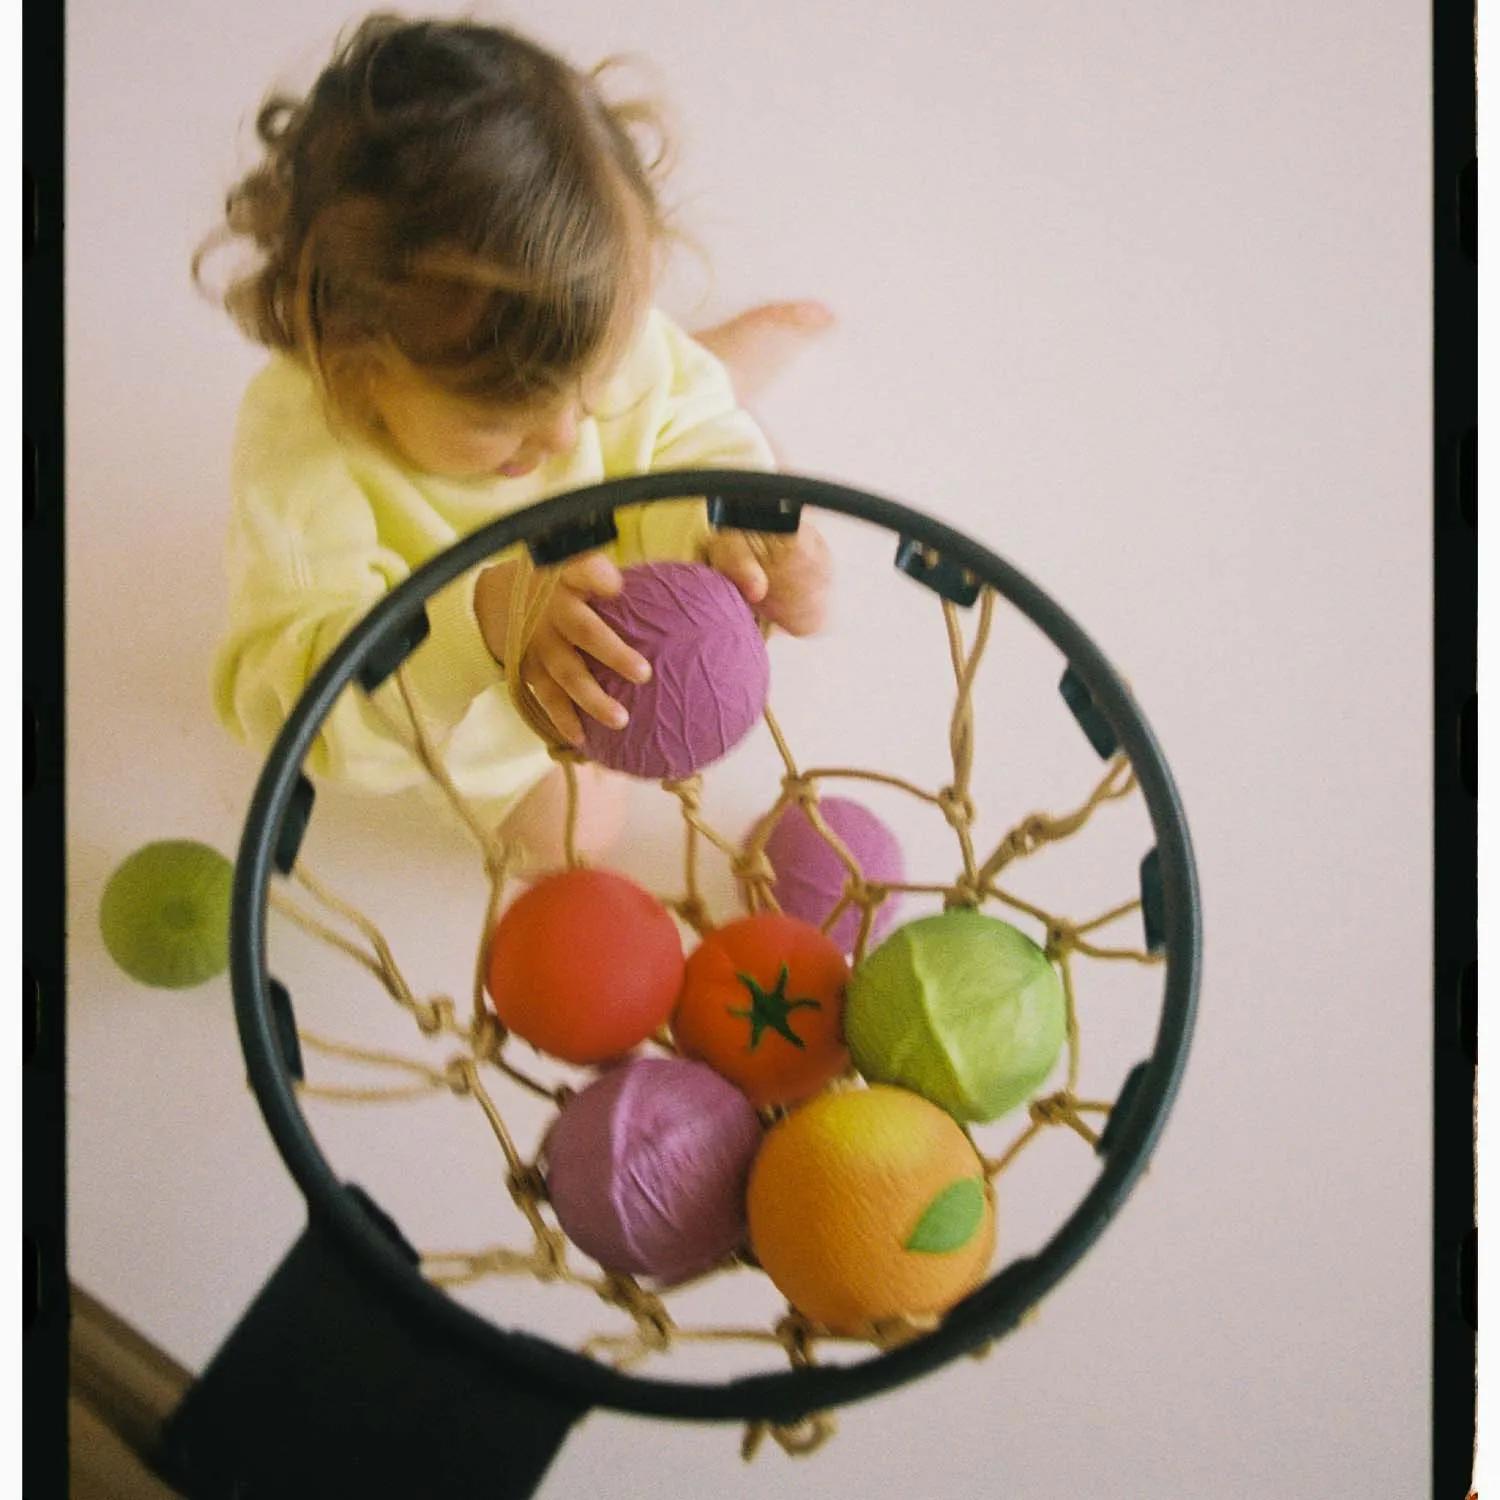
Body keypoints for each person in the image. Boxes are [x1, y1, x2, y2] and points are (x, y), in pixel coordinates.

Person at [198, 13, 833, 870]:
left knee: (726, 446)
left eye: (592, 380)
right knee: (569, 842)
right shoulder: (303, 454)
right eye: (503, 421)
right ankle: (708, 368)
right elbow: (290, 701)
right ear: (350, 360)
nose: (568, 434)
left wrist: (726, 538)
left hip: (620, 607)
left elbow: (680, 427)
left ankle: (711, 362)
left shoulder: (599, 351)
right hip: (468, 710)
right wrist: (480, 627)